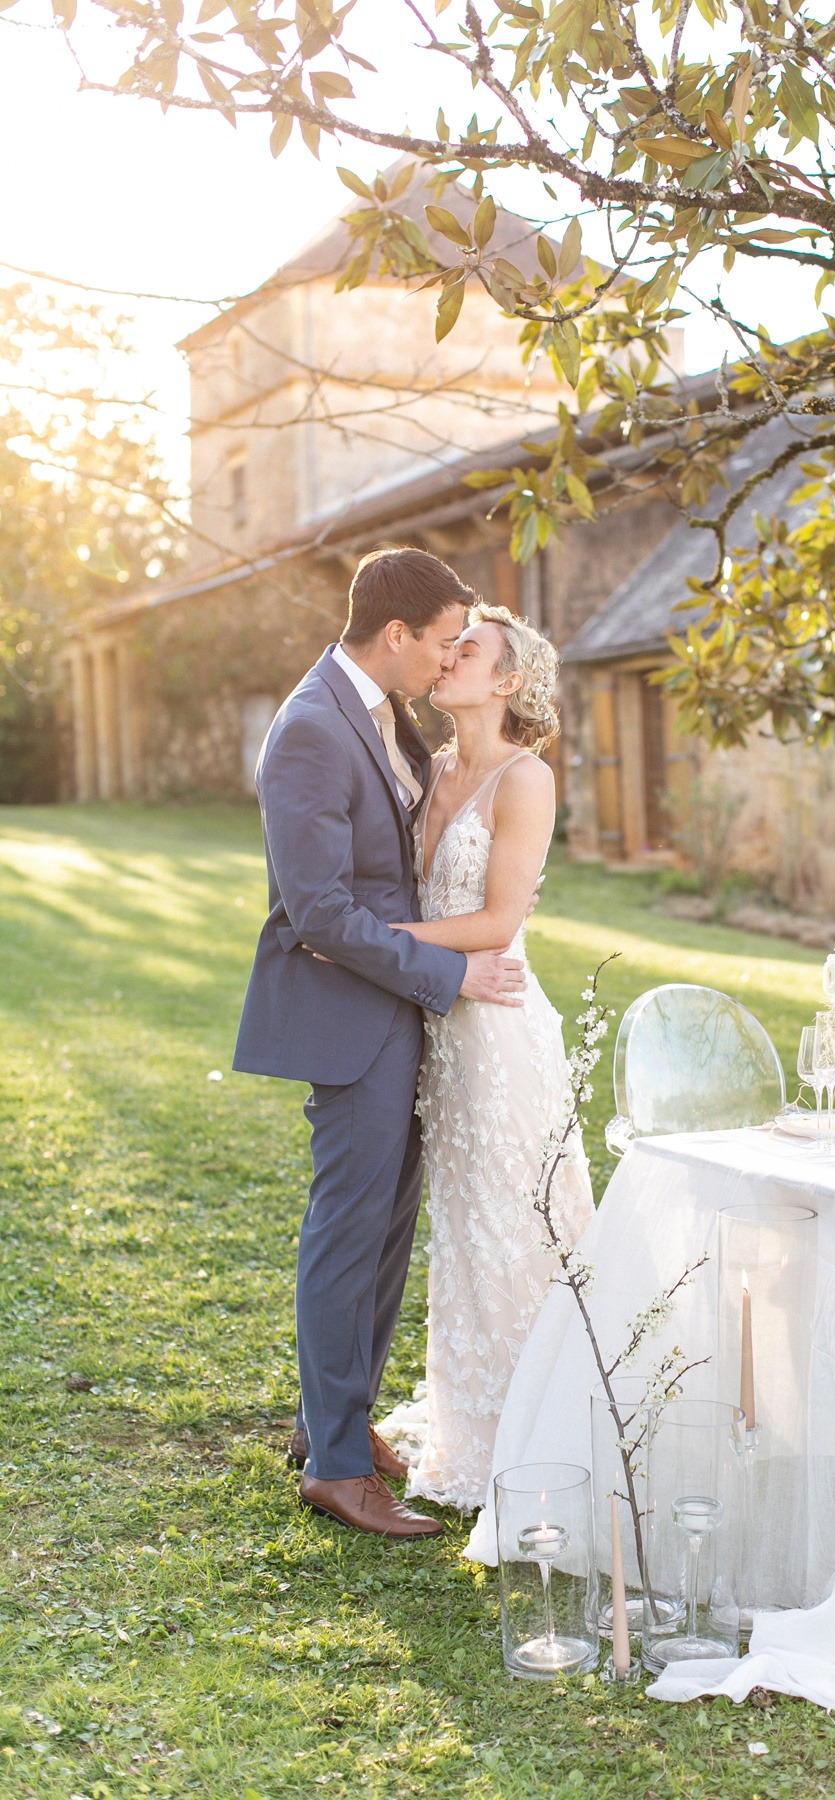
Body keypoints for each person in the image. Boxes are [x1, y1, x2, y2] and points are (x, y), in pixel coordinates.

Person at [233, 549, 526, 1540]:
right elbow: (317, 909)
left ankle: (338, 1427)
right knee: (347, 1237)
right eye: (444, 640)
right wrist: (448, 972)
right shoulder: (315, 728)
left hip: (393, 1012)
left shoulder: (380, 711)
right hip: (352, 1013)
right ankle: (340, 1469)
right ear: (395, 635)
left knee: (386, 1234)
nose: (449, 659)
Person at [374, 604, 595, 1510]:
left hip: (500, 1033)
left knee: (517, 1224)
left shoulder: (524, 778)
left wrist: (372, 937)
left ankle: (547, 1427)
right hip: (440, 1029)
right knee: (464, 1227)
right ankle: (472, 1418)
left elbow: (500, 923)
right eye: (449, 647)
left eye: (469, 651)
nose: (449, 657)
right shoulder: (429, 766)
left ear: (506, 682)